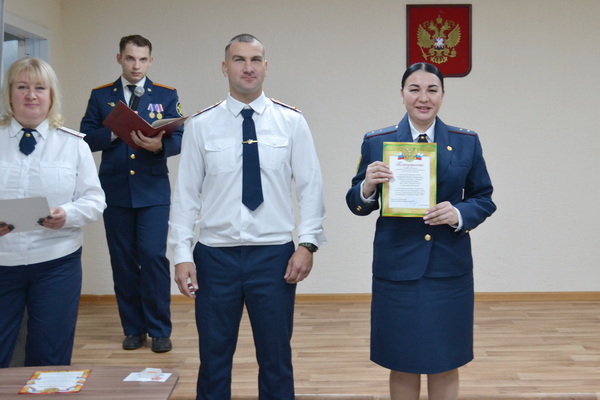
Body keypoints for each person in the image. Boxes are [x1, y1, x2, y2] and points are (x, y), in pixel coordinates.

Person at [168, 34, 326, 400]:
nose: (248, 67)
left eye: (255, 60)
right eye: (239, 60)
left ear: (266, 67)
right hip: (215, 258)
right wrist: (181, 255)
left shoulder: (292, 122)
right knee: (213, 359)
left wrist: (307, 244)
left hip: (273, 257)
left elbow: (311, 188)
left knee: (276, 359)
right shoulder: (201, 125)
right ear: (225, 68)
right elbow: (185, 195)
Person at [346, 62, 496, 400]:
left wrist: (458, 213)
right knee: (401, 359)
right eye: (414, 89)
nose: (423, 98)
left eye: (432, 90)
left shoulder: (466, 142)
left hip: (448, 269)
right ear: (402, 95)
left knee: (445, 358)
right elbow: (356, 202)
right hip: (397, 270)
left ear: (443, 95)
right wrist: (367, 186)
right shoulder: (377, 142)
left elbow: (483, 198)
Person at [80, 34, 183, 353]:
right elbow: (85, 138)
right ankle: (134, 329)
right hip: (116, 191)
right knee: (123, 260)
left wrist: (159, 146)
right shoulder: (101, 96)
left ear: (150, 61)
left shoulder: (165, 94)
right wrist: (113, 132)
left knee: (153, 258)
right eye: (130, 58)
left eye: (142, 59)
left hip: (153, 191)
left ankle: (160, 329)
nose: (136, 65)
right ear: (119, 59)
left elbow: (180, 137)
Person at [0, 57, 105, 367]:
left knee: (50, 353)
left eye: (40, 88)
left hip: (56, 262)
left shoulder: (73, 144)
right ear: (9, 94)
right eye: (22, 87)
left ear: (51, 95)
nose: (31, 95)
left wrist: (67, 215)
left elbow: (94, 200)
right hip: (3, 262)